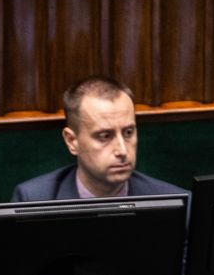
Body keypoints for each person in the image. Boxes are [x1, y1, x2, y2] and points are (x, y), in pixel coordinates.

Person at [11, 76, 186, 202]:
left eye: (128, 133)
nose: (122, 151)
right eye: (105, 136)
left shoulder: (175, 203)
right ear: (72, 141)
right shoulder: (32, 200)